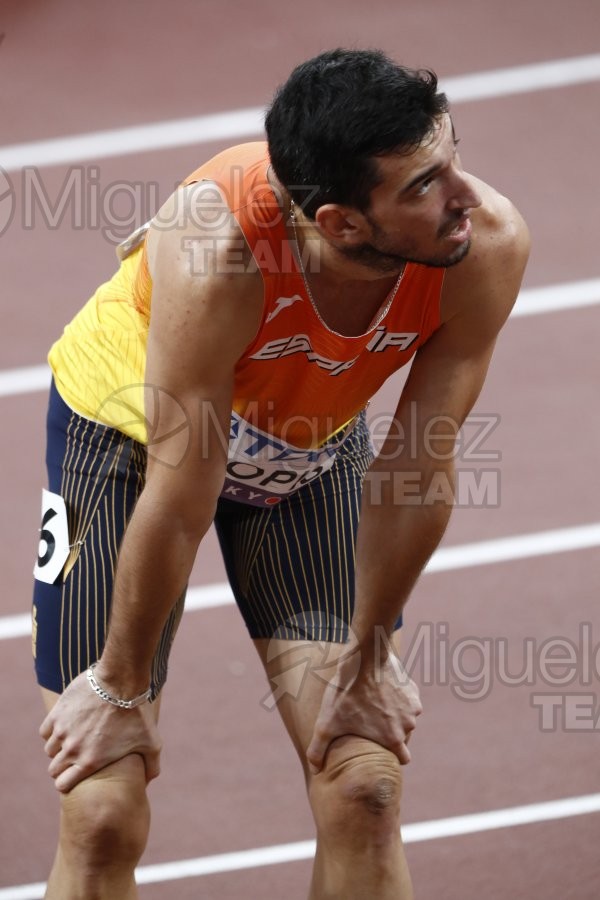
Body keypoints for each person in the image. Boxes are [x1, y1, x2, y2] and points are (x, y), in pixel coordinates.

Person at [34, 48, 529, 899]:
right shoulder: (216, 254)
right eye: (422, 185)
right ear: (339, 222)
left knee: (363, 785)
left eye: (453, 159)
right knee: (104, 809)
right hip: (126, 447)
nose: (465, 199)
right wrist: (118, 686)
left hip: (306, 454)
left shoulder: (483, 244)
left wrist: (370, 658)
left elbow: (417, 467)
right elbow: (180, 496)